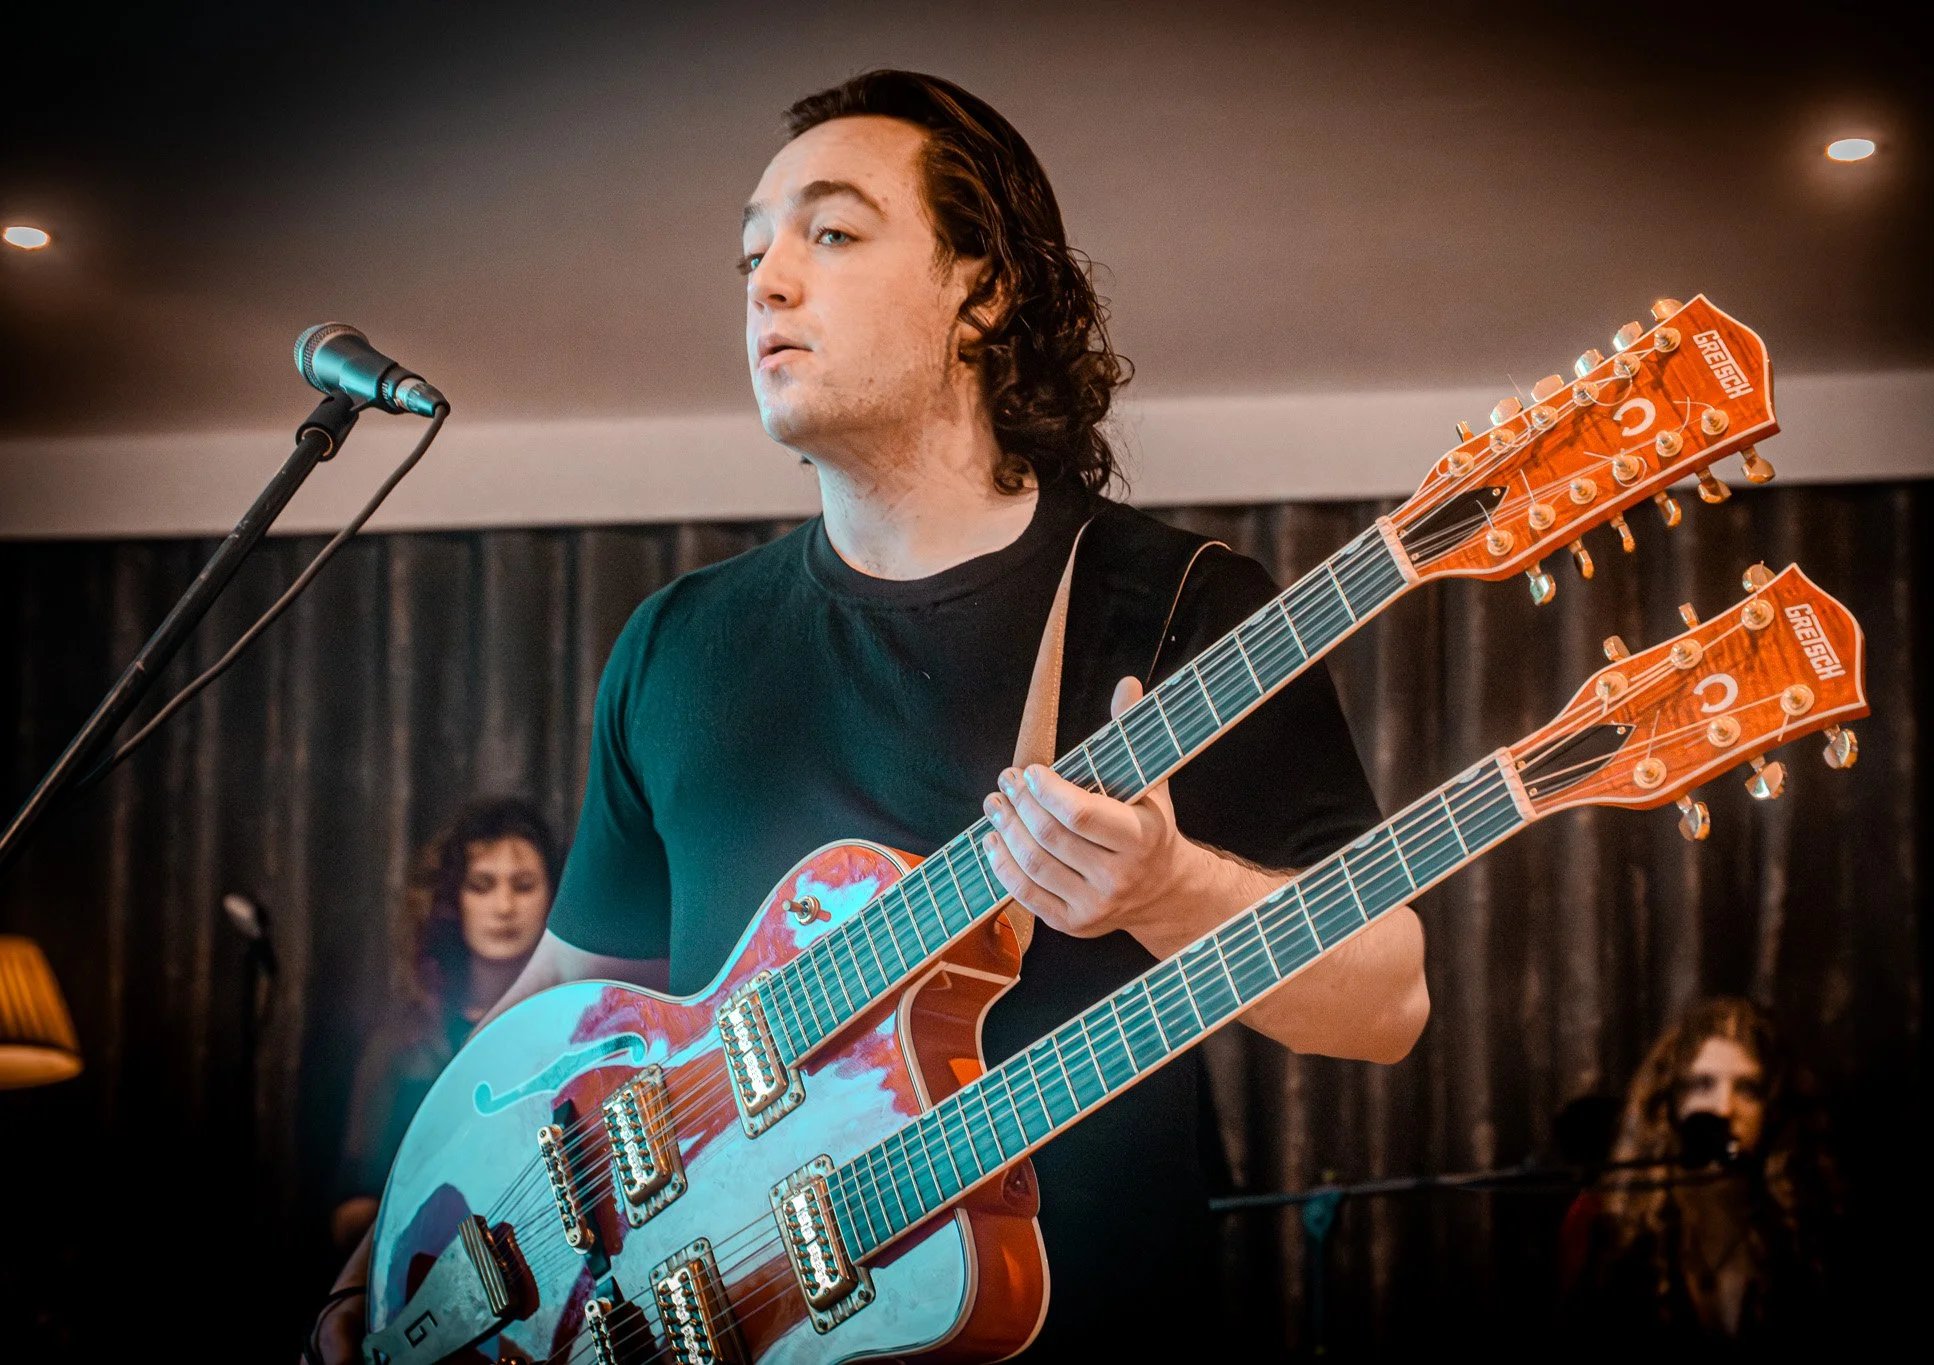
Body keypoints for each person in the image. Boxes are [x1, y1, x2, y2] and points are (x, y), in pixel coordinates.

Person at [313, 70, 1429, 1362]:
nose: (767, 281)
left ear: (985, 289)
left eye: (830, 233)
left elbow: (1389, 999)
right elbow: (568, 1001)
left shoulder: (1181, 604)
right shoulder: (678, 642)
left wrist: (1170, 890)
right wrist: (385, 1265)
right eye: (752, 249)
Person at [330, 797, 561, 1250]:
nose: (504, 906)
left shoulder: (575, 1026)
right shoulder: (402, 1045)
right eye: (481, 885)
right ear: (452, 900)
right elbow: (348, 1215)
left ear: (554, 895)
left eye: (524, 885)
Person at [1562, 997, 1840, 1350]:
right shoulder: (1608, 1223)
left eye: (1748, 1089)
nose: (1723, 1108)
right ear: (1670, 1103)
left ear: (1772, 1108)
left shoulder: (1806, 1228)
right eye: (1702, 1085)